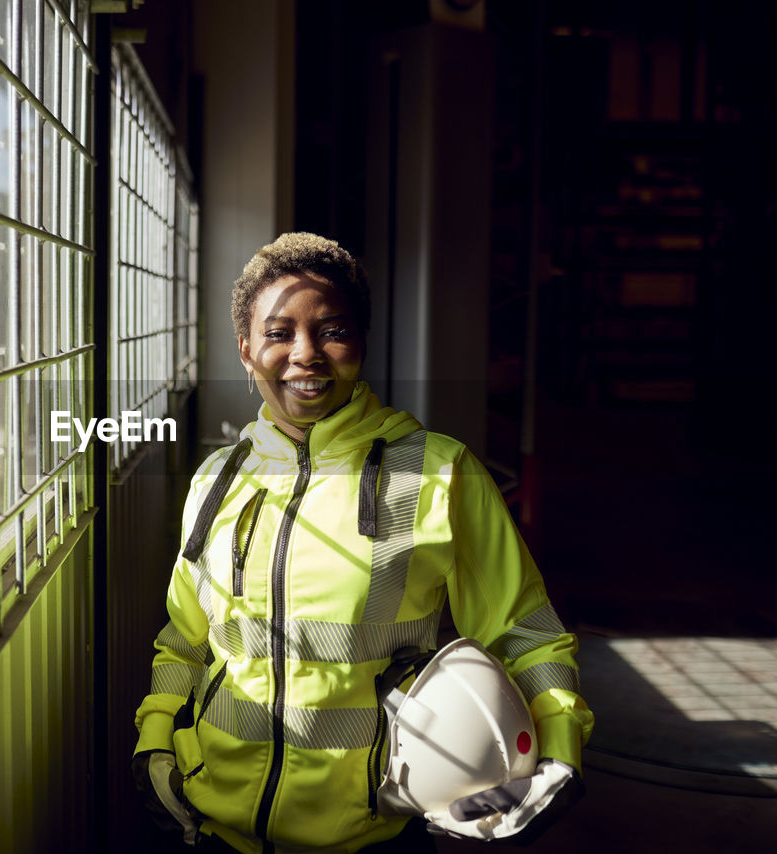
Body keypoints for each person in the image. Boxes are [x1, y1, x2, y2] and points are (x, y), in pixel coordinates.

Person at [133, 233, 594, 853]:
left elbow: (525, 633)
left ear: (361, 344)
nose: (306, 355)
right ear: (246, 350)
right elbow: (186, 640)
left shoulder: (438, 473)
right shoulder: (218, 481)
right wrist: (156, 744)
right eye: (278, 333)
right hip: (217, 829)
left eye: (332, 331)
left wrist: (558, 753)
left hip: (377, 833)